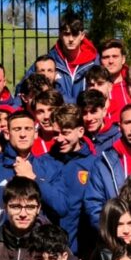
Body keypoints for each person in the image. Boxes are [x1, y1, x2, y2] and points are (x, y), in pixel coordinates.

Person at [0, 111, 66, 219]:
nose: (23, 135)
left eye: (28, 129)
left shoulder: (52, 167)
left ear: (36, 134)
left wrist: (34, 179)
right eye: (17, 129)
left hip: (41, 234)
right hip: (3, 234)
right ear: (7, 134)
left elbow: (61, 208)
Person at [86, 104, 131, 228]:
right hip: (115, 237)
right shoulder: (104, 163)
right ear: (120, 127)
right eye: (128, 122)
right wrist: (113, 233)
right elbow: (94, 206)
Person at [46, 103, 97, 252]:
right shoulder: (45, 161)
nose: (60, 139)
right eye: (56, 133)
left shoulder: (93, 164)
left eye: (66, 133)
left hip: (81, 248)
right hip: (48, 246)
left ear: (80, 131)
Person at [41, 10, 100, 103]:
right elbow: (26, 88)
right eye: (67, 34)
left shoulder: (95, 61)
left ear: (82, 35)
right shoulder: (49, 61)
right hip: (57, 115)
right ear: (60, 35)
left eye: (75, 34)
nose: (71, 39)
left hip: (88, 114)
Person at [100, 39, 131, 123]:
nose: (110, 61)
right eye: (106, 57)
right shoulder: (94, 86)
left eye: (115, 56)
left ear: (123, 59)